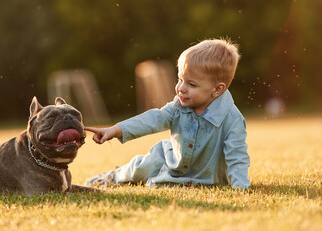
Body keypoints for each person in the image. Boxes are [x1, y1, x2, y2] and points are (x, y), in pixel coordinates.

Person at [85, 38, 250, 189]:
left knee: (165, 183)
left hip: (206, 176)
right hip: (170, 160)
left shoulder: (232, 120)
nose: (181, 88)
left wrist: (240, 187)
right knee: (141, 166)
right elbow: (151, 120)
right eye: (180, 79)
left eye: (191, 84)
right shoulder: (178, 107)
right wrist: (114, 130)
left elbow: (237, 156)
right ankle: (116, 175)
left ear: (217, 89)